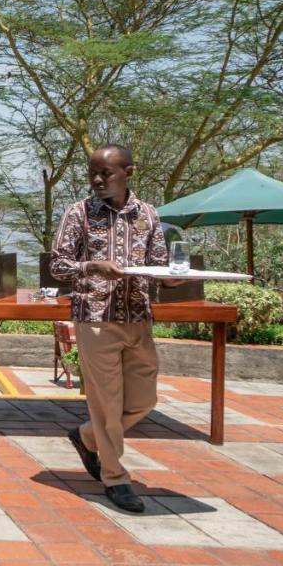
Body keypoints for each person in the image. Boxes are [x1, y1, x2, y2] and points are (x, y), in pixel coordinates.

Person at [50, 145, 168, 514]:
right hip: (95, 319)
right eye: (93, 174)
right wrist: (91, 268)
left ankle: (86, 437)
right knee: (107, 406)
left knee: (145, 400)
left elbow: (159, 263)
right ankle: (115, 478)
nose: (98, 180)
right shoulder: (78, 213)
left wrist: (175, 278)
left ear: (128, 172)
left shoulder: (148, 214)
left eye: (107, 173)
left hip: (139, 318)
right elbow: (58, 265)